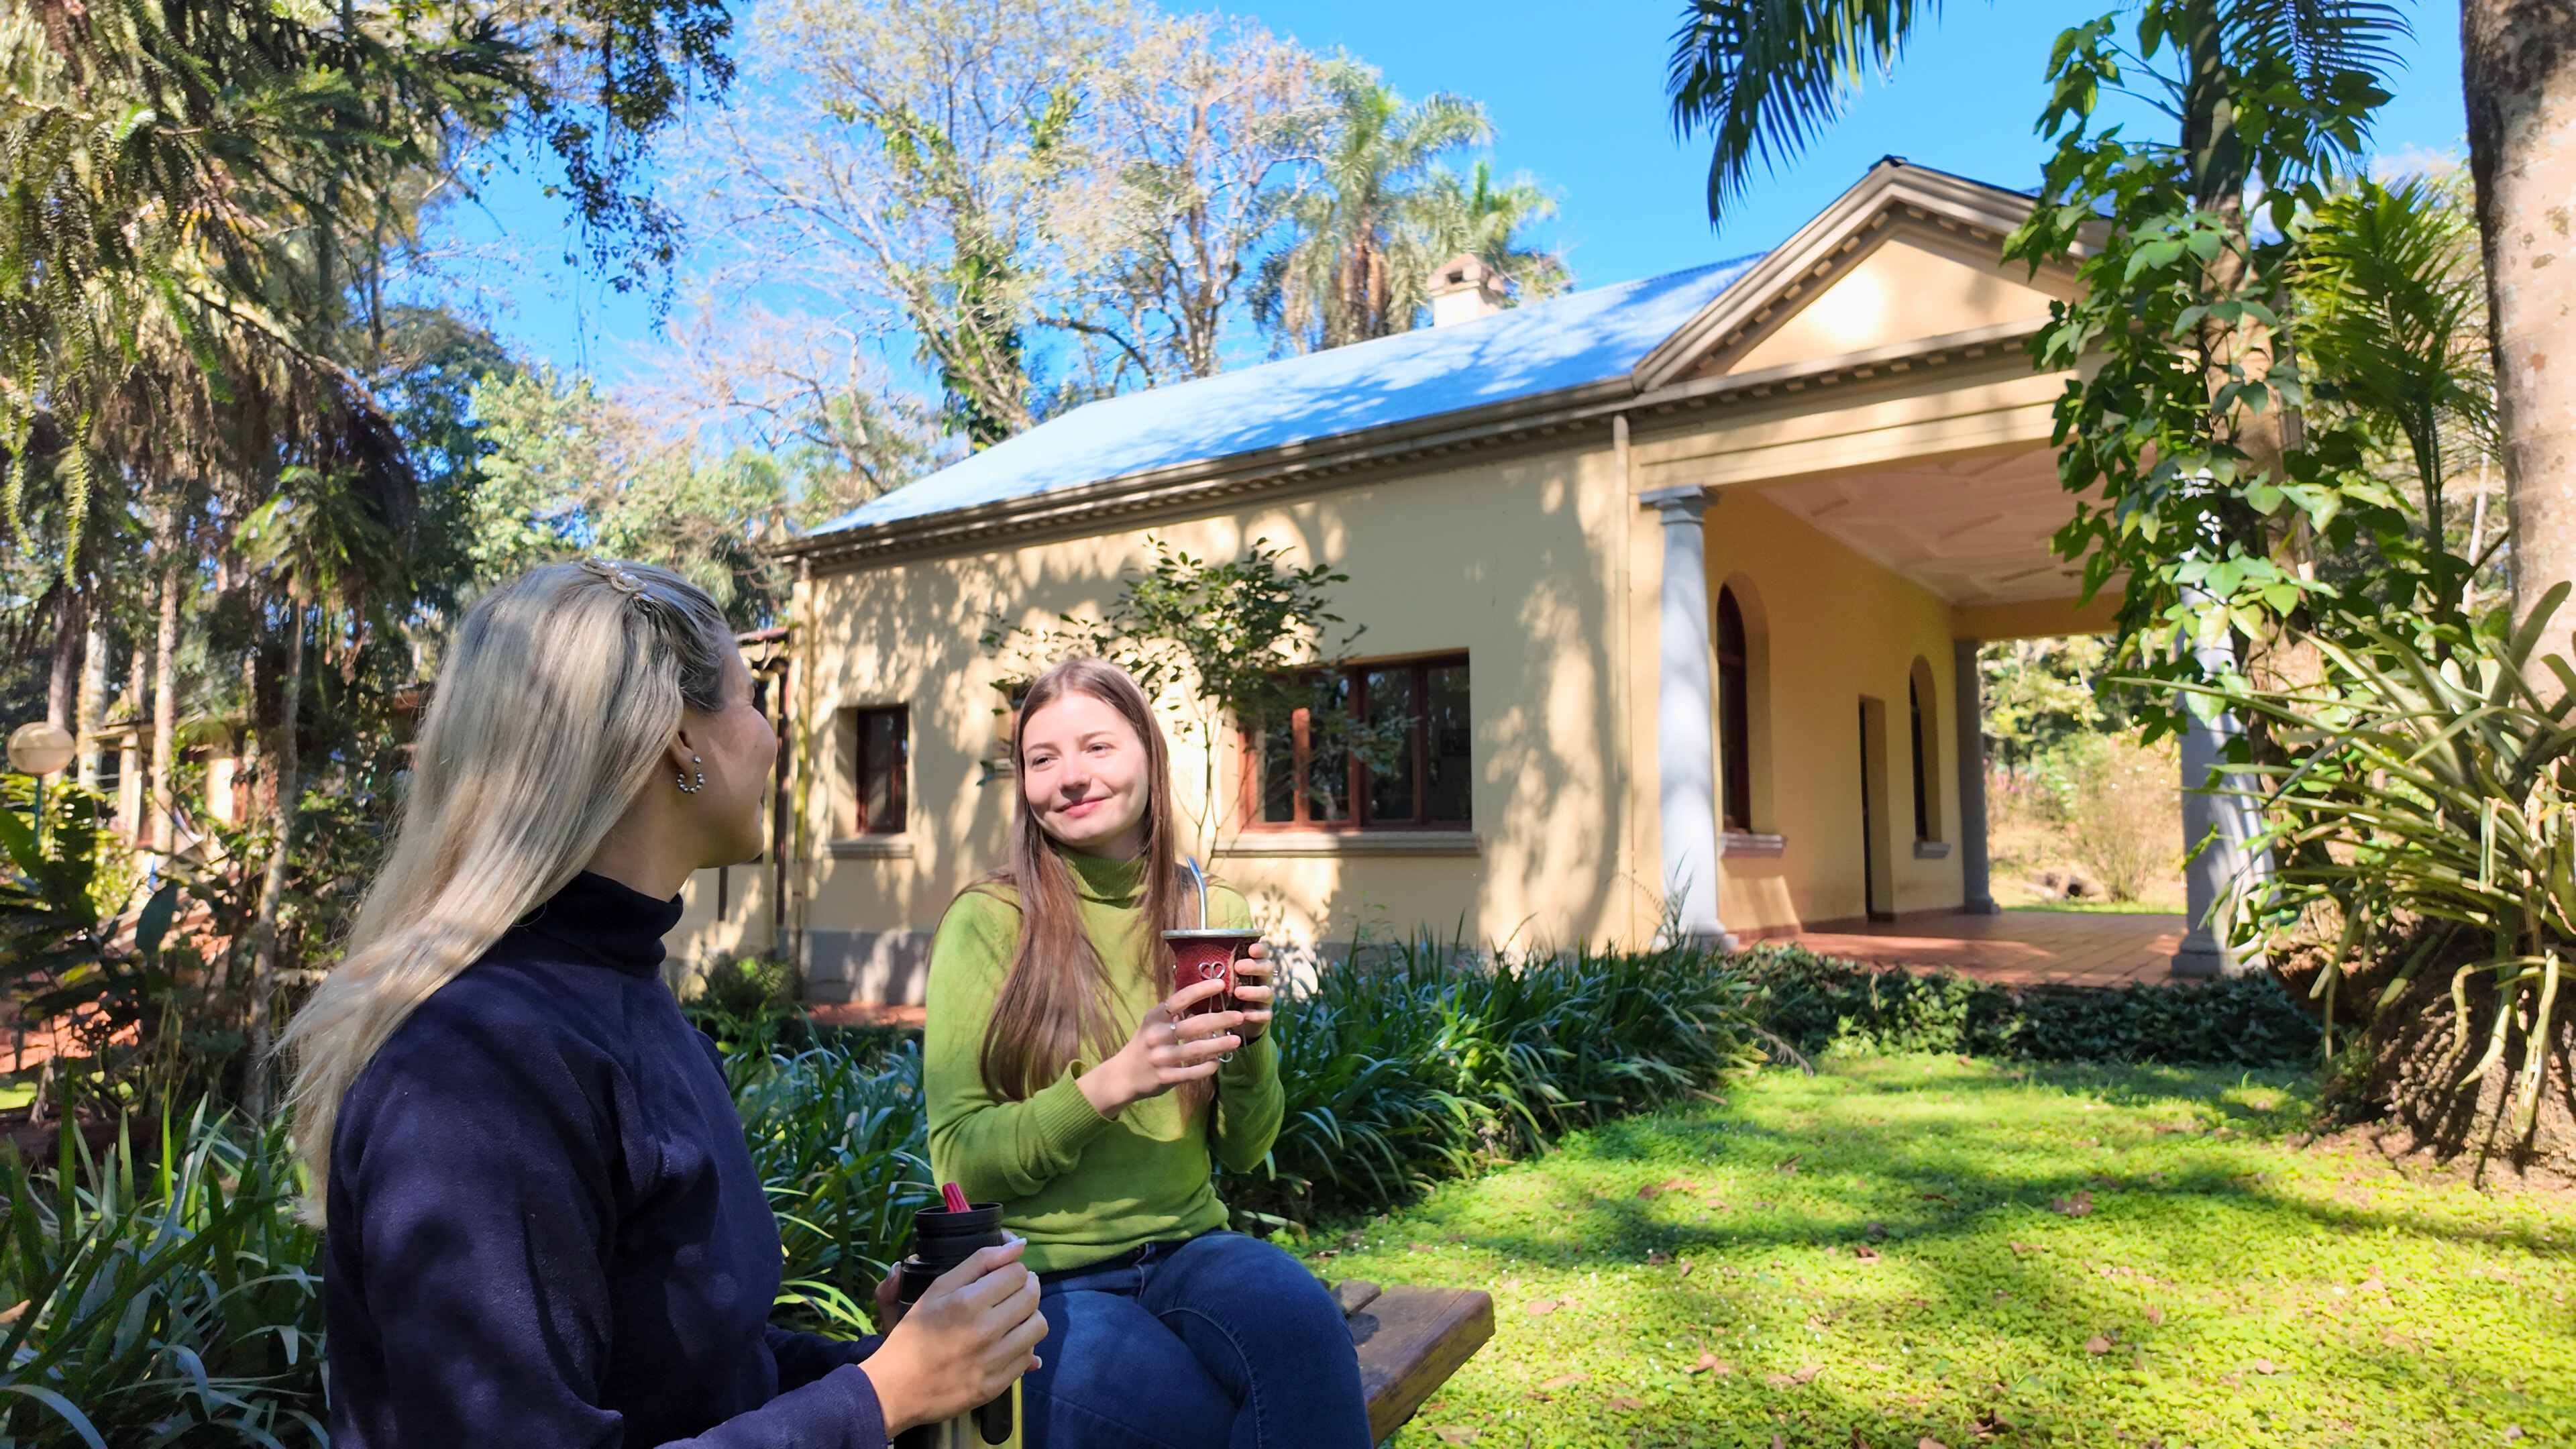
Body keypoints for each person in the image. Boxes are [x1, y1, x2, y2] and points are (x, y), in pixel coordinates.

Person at [284, 559, 1048, 1448]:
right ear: (681, 739)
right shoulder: (481, 1070)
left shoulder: (625, 1002)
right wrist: (875, 1399)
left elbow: (698, 1368)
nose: (773, 738)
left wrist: (897, 1365)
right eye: (752, 700)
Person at [924, 657, 1372, 1449]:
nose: (1070, 777)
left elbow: (1247, 1147)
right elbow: (958, 1164)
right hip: (1048, 1277)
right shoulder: (989, 921)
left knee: (1305, 1329)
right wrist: (1113, 1083)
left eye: (1097, 747)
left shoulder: (1210, 910)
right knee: (1195, 1422)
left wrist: (1250, 1045)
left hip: (1192, 1248)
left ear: (1148, 758)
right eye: (1042, 759)